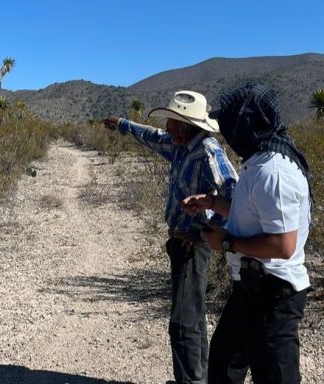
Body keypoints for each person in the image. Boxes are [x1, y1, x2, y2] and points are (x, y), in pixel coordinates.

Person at [102, 91, 238, 384]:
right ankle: (199, 378)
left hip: (193, 244)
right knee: (193, 316)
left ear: (186, 126)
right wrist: (123, 124)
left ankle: (190, 381)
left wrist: (207, 233)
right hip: (181, 242)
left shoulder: (208, 152)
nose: (167, 126)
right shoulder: (180, 147)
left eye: (173, 122)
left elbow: (235, 196)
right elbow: (151, 136)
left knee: (182, 322)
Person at [181, 84, 312, 384]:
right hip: (251, 287)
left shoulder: (273, 172)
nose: (226, 132)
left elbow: (283, 244)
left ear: (246, 125)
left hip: (274, 293)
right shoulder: (260, 163)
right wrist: (212, 202)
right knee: (224, 364)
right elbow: (251, 212)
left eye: (230, 124)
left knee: (274, 375)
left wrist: (227, 242)